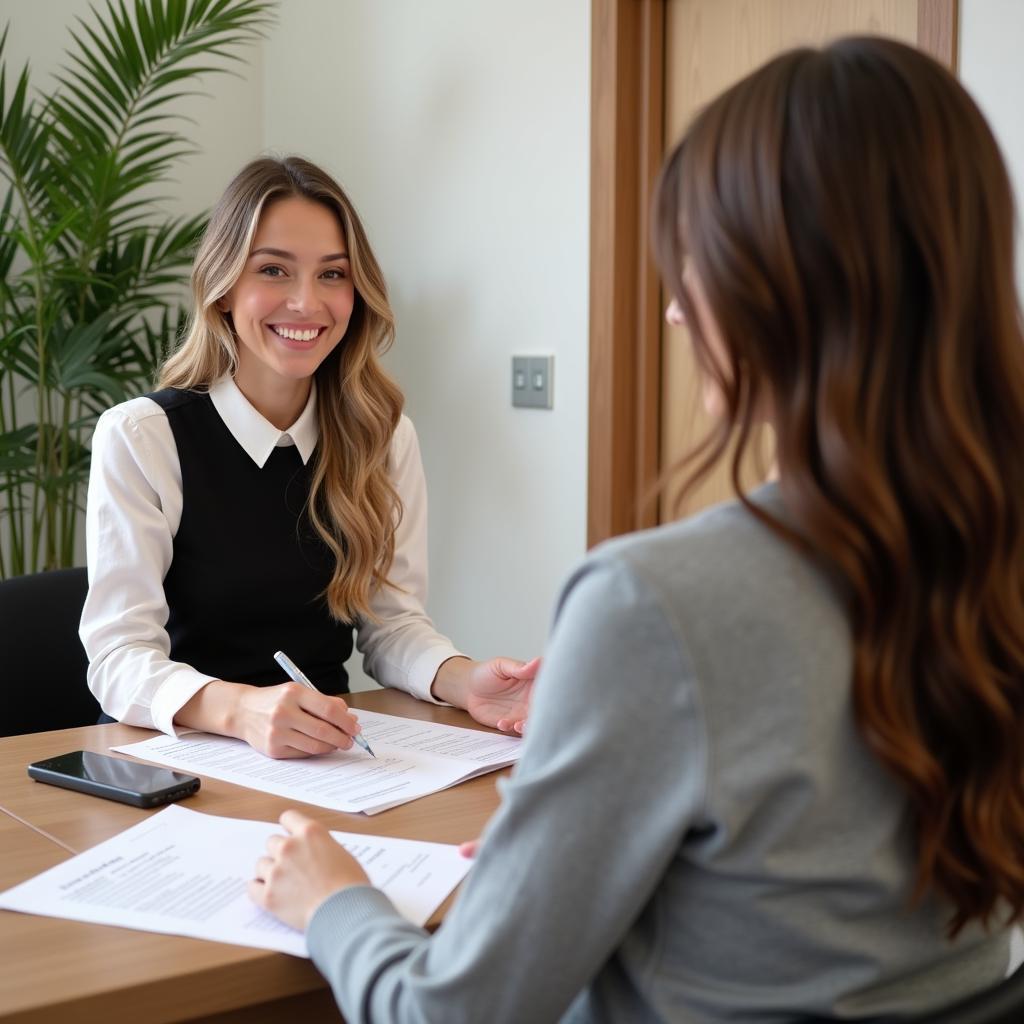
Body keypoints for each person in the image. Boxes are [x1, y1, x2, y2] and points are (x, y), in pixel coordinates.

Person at [249, 36, 1024, 1021]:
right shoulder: (989, 552)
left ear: (770, 289)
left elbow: (450, 1013)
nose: (668, 310)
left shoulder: (656, 603)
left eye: (693, 262)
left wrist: (335, 900)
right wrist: (587, 856)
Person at [80, 156, 537, 758]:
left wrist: (463, 680)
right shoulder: (143, 437)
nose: (305, 302)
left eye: (332, 275)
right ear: (222, 289)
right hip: (182, 759)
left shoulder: (383, 436)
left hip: (330, 761)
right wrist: (241, 709)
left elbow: (392, 624)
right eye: (273, 269)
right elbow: (117, 659)